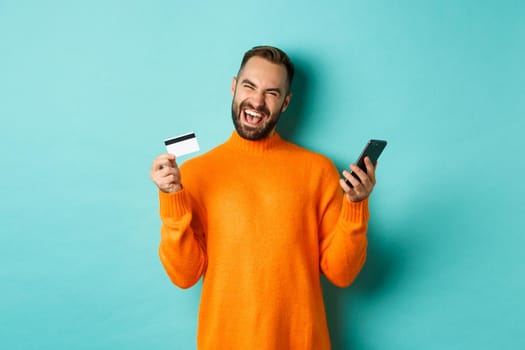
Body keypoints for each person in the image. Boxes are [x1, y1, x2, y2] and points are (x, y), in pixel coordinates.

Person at [150, 45, 378, 349]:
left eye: (272, 92)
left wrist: (355, 206)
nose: (256, 101)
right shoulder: (195, 174)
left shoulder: (318, 171)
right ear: (234, 87)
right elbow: (184, 275)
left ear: (286, 102)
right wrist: (171, 198)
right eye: (249, 86)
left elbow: (341, 274)